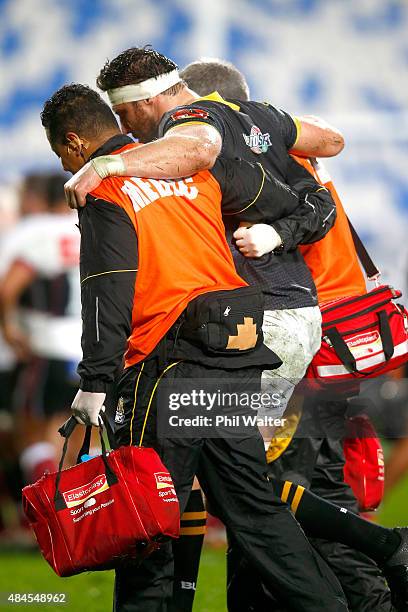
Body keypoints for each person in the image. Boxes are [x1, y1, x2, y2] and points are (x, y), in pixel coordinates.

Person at [41, 83, 349, 612]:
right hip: (227, 360)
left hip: (160, 368)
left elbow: (108, 286)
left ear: (73, 144)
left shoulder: (103, 188)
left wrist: (95, 381)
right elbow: (295, 195)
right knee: (256, 511)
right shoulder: (194, 170)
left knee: (149, 522)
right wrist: (284, 228)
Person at [180, 57, 406, 612]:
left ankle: (380, 584)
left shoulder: (249, 165)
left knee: (285, 488)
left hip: (304, 344)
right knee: (272, 490)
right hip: (326, 340)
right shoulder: (287, 152)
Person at [0, 174, 81, 485]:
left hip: (47, 344)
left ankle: (46, 510)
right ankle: (77, 514)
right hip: (90, 348)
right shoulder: (96, 226)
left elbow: (9, 287)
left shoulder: (33, 231)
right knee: (73, 439)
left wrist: (9, 328)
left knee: (31, 431)